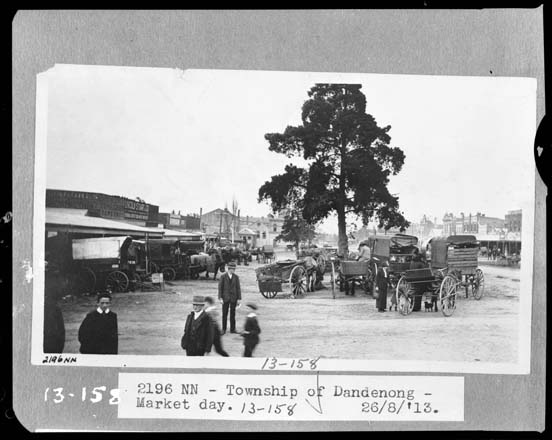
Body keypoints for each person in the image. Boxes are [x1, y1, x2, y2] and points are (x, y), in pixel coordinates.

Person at [218, 261, 241, 334]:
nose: (233, 270)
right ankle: (223, 329)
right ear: (229, 269)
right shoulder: (223, 277)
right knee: (224, 314)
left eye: (234, 269)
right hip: (225, 298)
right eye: (232, 269)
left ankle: (233, 329)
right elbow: (220, 288)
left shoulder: (236, 277)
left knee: (233, 314)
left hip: (234, 298)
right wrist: (220, 298)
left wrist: (239, 299)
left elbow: (238, 288)